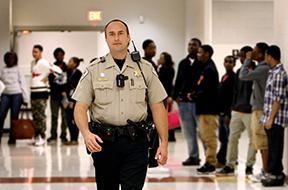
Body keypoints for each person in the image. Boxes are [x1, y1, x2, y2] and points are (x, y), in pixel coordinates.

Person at [72, 19, 168, 190]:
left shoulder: (145, 69)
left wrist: (164, 142)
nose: (116, 37)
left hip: (136, 142)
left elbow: (157, 106)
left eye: (121, 33)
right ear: (106, 39)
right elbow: (80, 107)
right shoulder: (94, 69)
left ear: (129, 37)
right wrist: (86, 134)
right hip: (104, 143)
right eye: (112, 34)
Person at [215, 46, 257, 176]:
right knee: (232, 139)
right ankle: (230, 164)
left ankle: (249, 166)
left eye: (244, 56)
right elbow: (235, 92)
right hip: (237, 111)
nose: (241, 59)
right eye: (240, 57)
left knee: (252, 140)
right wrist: (231, 110)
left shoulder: (257, 71)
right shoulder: (239, 72)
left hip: (250, 112)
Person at [239, 42, 270, 181]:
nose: (251, 52)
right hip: (258, 108)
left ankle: (266, 171)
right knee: (260, 141)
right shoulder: (261, 68)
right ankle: (265, 170)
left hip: (261, 109)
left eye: (254, 51)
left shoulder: (263, 69)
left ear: (260, 54)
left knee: (262, 142)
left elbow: (243, 74)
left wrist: (247, 60)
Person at [188, 44, 219, 174]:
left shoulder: (209, 69)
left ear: (207, 54)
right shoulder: (205, 68)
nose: (198, 54)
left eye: (200, 52)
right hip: (203, 110)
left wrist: (194, 95)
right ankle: (209, 161)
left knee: (210, 138)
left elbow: (208, 91)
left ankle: (211, 163)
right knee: (205, 138)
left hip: (209, 110)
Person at [173, 38, 204, 166]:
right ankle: (193, 156)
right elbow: (178, 81)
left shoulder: (202, 64)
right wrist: (176, 96)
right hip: (184, 103)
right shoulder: (183, 63)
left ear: (199, 47)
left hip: (198, 103)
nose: (191, 47)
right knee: (188, 132)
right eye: (190, 45)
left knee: (203, 132)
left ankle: (210, 157)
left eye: (194, 45)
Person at [260, 45, 287, 187]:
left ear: (270, 56)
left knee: (276, 148)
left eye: (265, 56)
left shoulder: (278, 73)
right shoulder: (273, 72)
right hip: (271, 118)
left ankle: (276, 175)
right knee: (272, 147)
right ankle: (274, 172)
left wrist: (271, 118)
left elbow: (278, 98)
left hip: (276, 119)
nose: (265, 59)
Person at [142, 40, 169, 174]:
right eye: (151, 47)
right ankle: (151, 159)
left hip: (155, 104)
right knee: (151, 132)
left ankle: (153, 159)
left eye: (155, 47)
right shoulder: (145, 64)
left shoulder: (152, 64)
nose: (154, 50)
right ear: (145, 49)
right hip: (149, 105)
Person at [29, 45, 62, 146]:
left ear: (41, 52)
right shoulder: (33, 63)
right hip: (33, 91)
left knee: (41, 115)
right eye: (33, 52)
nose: (34, 54)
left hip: (41, 92)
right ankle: (36, 135)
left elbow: (58, 71)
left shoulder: (43, 62)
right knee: (35, 115)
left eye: (36, 52)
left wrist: (49, 78)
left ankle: (41, 136)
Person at [0, 52, 29, 144]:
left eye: (12, 58)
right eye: (8, 58)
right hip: (5, 94)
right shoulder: (2, 70)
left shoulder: (18, 70)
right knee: (1, 115)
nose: (10, 60)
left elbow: (23, 84)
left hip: (17, 94)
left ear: (15, 59)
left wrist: (26, 98)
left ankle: (12, 137)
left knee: (14, 117)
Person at [216, 55, 236, 168]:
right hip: (221, 113)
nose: (228, 64)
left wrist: (229, 114)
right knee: (222, 139)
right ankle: (223, 159)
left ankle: (223, 158)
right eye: (226, 61)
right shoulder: (223, 77)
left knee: (229, 139)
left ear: (234, 64)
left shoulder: (234, 78)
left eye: (230, 62)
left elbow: (233, 97)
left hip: (228, 114)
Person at [47, 47, 68, 143]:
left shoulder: (67, 68)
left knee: (64, 116)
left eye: (61, 54)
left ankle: (63, 135)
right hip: (55, 96)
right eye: (58, 55)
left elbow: (69, 82)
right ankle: (53, 135)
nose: (60, 57)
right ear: (55, 56)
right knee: (54, 116)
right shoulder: (52, 68)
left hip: (65, 97)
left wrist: (66, 92)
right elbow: (51, 82)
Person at [63, 57, 82, 145]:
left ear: (75, 64)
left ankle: (75, 139)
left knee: (75, 120)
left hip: (74, 100)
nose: (68, 63)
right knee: (68, 119)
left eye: (70, 61)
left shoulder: (78, 74)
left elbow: (78, 89)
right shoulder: (69, 73)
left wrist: (73, 100)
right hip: (69, 99)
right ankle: (71, 138)